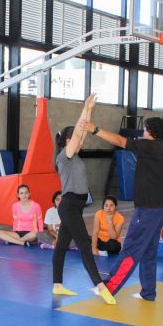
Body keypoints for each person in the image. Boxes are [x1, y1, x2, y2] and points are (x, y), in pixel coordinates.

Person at [83, 109, 163, 302]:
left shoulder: (150, 147)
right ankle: (148, 292)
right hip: (162, 206)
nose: (142, 131)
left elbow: (119, 141)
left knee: (131, 249)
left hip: (149, 209)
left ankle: (108, 289)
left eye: (145, 128)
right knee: (149, 250)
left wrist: (94, 129)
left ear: (151, 132)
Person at [51, 94, 115, 302]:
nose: (80, 141)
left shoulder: (75, 155)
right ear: (68, 141)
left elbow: (82, 132)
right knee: (85, 246)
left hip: (76, 206)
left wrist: (88, 110)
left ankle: (57, 284)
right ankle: (99, 285)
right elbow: (79, 134)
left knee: (61, 246)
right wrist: (83, 110)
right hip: (69, 205)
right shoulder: (64, 157)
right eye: (75, 139)